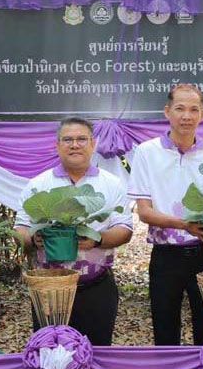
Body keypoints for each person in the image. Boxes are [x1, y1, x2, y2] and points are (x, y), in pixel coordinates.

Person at [15, 117, 133, 346]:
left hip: (97, 288)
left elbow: (125, 229)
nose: (75, 145)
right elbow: (20, 229)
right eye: (68, 139)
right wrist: (33, 238)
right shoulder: (38, 184)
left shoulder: (112, 183)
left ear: (93, 144)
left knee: (98, 352)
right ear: (57, 145)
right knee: (50, 355)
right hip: (50, 289)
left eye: (81, 139)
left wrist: (97, 240)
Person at [129, 84, 203, 345]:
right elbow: (145, 212)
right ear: (167, 112)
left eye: (194, 109)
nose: (187, 116)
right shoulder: (147, 152)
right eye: (180, 109)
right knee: (165, 326)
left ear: (202, 115)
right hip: (165, 256)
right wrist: (185, 224)